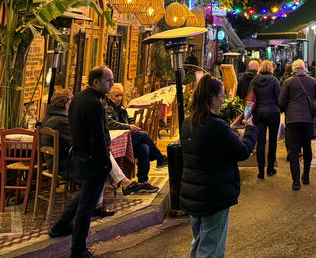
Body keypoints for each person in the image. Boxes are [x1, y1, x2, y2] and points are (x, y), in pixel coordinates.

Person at [180, 74, 258, 258]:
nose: (224, 99)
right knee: (211, 249)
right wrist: (250, 128)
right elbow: (243, 151)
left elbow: (209, 141)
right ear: (213, 98)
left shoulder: (188, 123)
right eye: (222, 95)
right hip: (213, 196)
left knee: (199, 242)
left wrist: (229, 128)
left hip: (193, 195)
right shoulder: (216, 127)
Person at [48, 66, 115, 258]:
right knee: (88, 206)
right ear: (96, 82)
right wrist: (106, 163)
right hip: (92, 161)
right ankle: (78, 249)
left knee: (84, 196)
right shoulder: (95, 104)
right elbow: (98, 138)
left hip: (80, 158)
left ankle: (59, 226)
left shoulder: (78, 98)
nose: (111, 84)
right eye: (108, 81)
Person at [105, 83, 167, 192]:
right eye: (117, 96)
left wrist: (132, 126)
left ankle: (142, 182)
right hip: (114, 144)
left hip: (125, 141)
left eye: (121, 95)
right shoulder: (106, 107)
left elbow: (130, 119)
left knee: (144, 148)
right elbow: (109, 123)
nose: (120, 98)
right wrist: (128, 127)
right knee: (143, 135)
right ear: (109, 96)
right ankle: (160, 158)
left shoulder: (120, 107)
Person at [278, 58, 316, 190]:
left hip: (292, 120)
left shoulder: (288, 82)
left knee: (293, 150)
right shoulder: (313, 81)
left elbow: (281, 102)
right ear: (304, 68)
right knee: (307, 147)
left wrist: (287, 109)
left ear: (293, 69)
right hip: (308, 120)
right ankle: (306, 176)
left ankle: (296, 181)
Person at [249, 60, 281, 179]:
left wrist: (248, 114)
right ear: (271, 68)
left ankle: (260, 170)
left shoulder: (255, 80)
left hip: (259, 114)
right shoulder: (274, 80)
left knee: (261, 142)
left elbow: (250, 96)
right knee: (272, 141)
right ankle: (270, 168)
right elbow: (280, 96)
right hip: (273, 113)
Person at [41, 88, 73, 176]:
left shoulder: (47, 117)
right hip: (62, 166)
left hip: (51, 162)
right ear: (67, 104)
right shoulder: (62, 122)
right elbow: (73, 142)